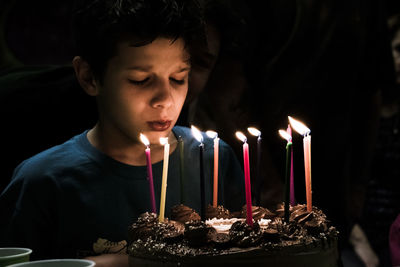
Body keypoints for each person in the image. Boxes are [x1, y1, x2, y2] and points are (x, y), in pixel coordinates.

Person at [0, 0, 245, 266]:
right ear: (89, 77)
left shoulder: (213, 159)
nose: (165, 99)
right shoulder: (44, 182)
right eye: (140, 80)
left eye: (178, 78)